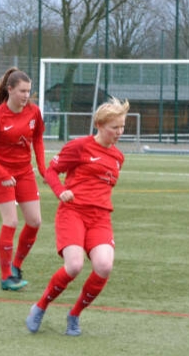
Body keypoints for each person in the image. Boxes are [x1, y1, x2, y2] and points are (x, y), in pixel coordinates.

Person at [25, 97, 128, 336]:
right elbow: (51, 171)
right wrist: (61, 191)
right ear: (99, 125)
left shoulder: (118, 157)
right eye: (114, 127)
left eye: (122, 127)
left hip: (100, 218)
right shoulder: (79, 146)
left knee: (104, 266)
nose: (119, 132)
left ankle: (74, 314)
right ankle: (40, 306)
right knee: (74, 266)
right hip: (73, 212)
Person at [0, 67, 46, 291]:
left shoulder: (34, 112)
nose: (26, 95)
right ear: (10, 90)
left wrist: (42, 168)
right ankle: (6, 276)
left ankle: (16, 266)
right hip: (0, 173)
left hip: (24, 171)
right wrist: (3, 174)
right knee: (11, 222)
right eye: (22, 91)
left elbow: (38, 139)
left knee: (35, 221)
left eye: (28, 91)